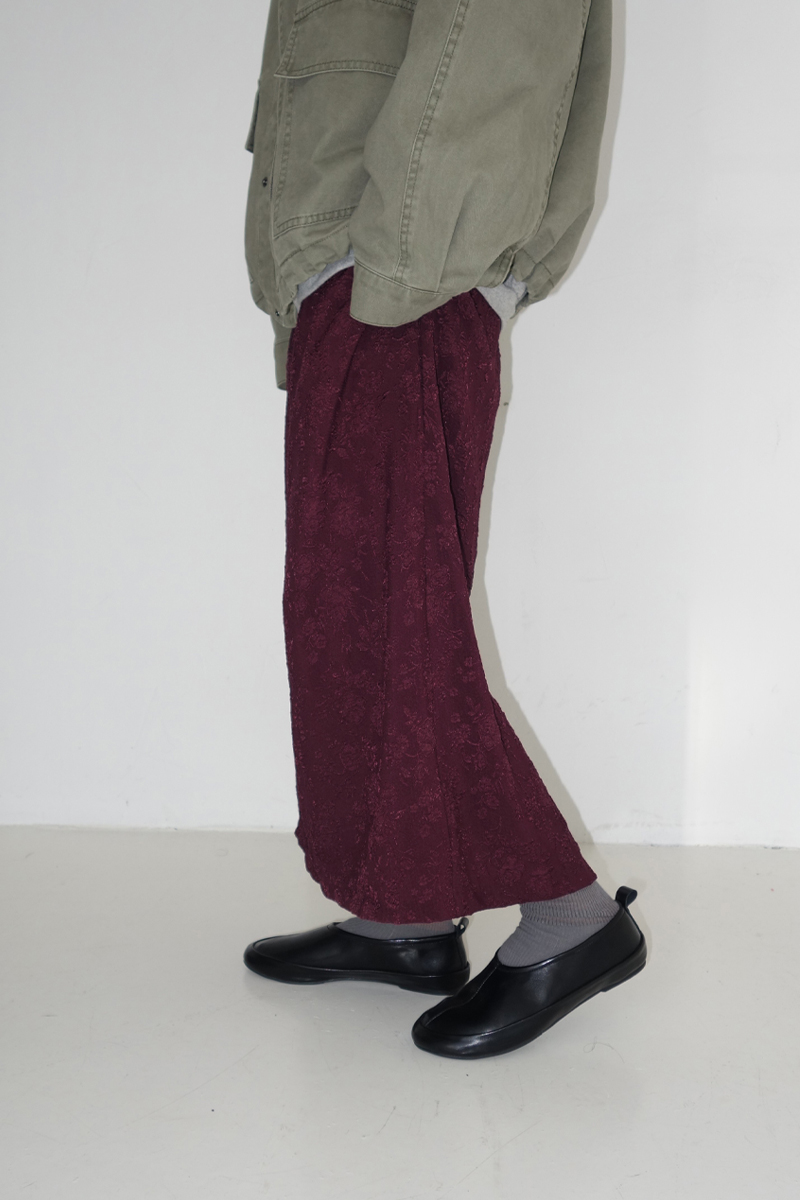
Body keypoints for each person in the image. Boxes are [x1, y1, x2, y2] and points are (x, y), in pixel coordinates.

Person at [241, 0, 646, 1059]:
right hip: (359, 284)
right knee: (346, 626)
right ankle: (407, 917)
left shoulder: (398, 281)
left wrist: (398, 275)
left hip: (399, 286)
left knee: (397, 627)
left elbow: (493, 46)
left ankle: (572, 919)